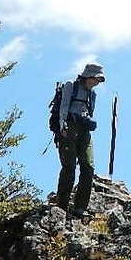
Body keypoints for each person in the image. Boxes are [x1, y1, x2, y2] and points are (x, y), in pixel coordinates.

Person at [56, 63, 105, 217]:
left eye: (98, 81)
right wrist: (63, 125)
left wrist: (89, 121)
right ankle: (61, 207)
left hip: (84, 130)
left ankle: (80, 208)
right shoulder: (71, 86)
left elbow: (89, 111)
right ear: (87, 76)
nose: (96, 83)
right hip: (69, 128)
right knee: (69, 167)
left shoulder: (93, 95)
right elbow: (64, 107)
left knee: (88, 167)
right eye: (95, 79)